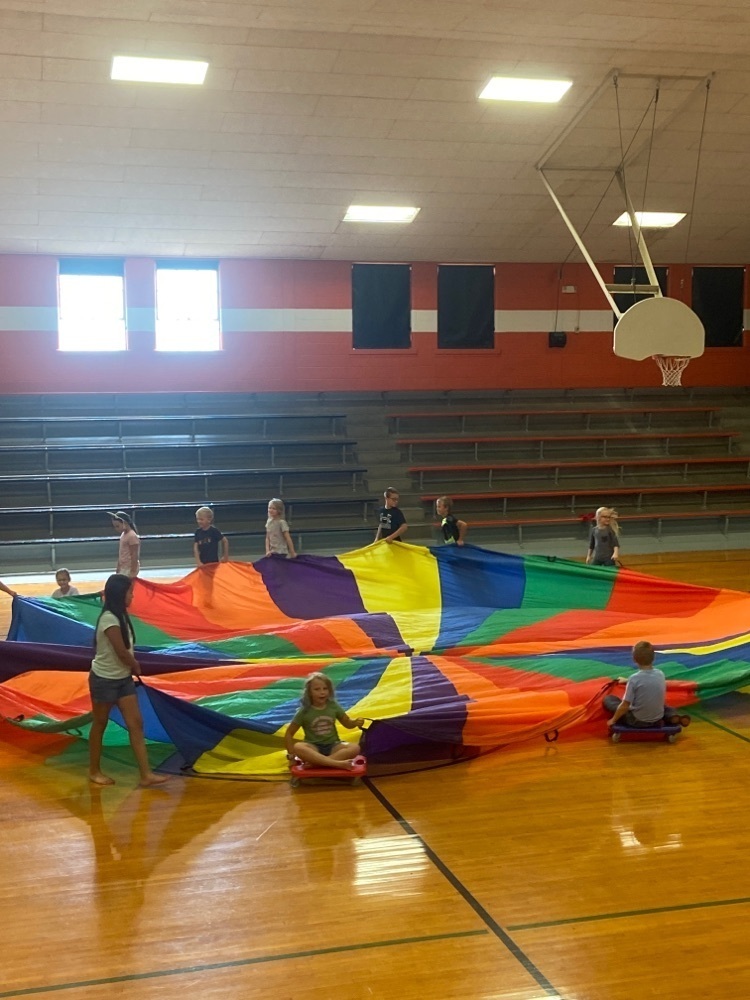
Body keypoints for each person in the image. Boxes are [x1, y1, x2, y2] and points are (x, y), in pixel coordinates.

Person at [88, 573, 170, 787]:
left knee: (136, 723)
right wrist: (135, 666)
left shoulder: (121, 615)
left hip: (122, 679)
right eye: (129, 592)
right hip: (104, 680)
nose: (132, 596)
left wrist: (131, 668)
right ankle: (94, 771)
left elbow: (125, 652)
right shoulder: (109, 619)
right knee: (100, 723)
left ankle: (146, 774)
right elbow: (122, 652)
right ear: (119, 594)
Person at [285, 671, 365, 770]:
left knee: (355, 748)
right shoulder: (304, 711)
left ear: (329, 690)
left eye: (325, 689)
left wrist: (355, 722)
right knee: (298, 747)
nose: (322, 692)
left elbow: (347, 724)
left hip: (333, 745)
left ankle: (317, 764)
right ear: (309, 692)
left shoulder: (333, 706)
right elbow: (289, 733)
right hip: (313, 747)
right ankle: (336, 763)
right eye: (317, 689)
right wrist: (291, 756)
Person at [604, 640, 690, 730]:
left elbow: (625, 704)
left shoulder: (634, 679)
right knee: (666, 707)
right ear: (653, 657)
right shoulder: (660, 674)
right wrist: (627, 680)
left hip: (637, 721)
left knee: (609, 700)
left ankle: (670, 717)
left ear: (634, 659)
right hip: (657, 718)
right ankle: (672, 716)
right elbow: (646, 680)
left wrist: (613, 720)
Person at [108, 510, 140, 578]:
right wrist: (118, 566)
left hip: (129, 568)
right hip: (124, 567)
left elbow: (134, 555)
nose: (116, 529)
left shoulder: (132, 536)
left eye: (117, 526)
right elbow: (121, 553)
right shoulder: (123, 534)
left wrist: (133, 571)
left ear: (124, 523)